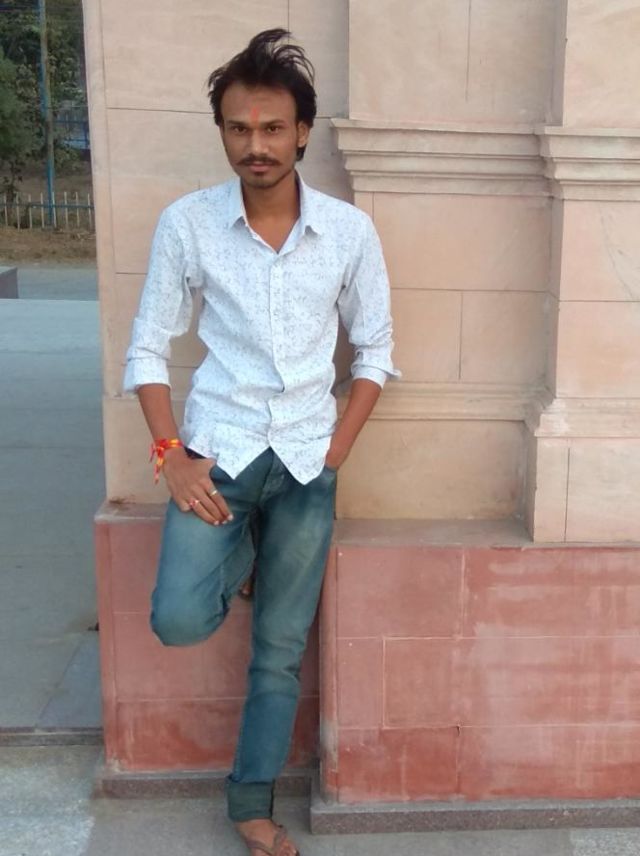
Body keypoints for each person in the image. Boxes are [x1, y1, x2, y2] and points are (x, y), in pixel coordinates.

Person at [123, 27, 399, 856]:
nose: (257, 145)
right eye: (240, 128)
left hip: (309, 464)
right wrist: (170, 456)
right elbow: (147, 348)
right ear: (222, 132)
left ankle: (250, 804)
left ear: (302, 132)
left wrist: (338, 449)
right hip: (219, 456)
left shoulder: (348, 233)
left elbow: (375, 351)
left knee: (279, 652)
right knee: (177, 618)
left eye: (274, 128)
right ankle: (241, 551)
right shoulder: (189, 225)